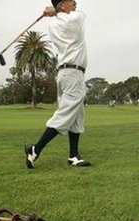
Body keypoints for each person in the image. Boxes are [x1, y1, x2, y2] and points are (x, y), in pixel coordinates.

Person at [24, 0, 91, 169]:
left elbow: (62, 13)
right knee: (66, 113)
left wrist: (54, 11)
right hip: (72, 73)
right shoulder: (74, 19)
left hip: (65, 73)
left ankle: (73, 156)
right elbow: (79, 14)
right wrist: (54, 10)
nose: (75, 2)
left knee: (77, 114)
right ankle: (35, 149)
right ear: (62, 5)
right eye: (70, 1)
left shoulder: (53, 25)